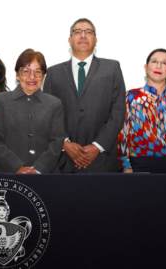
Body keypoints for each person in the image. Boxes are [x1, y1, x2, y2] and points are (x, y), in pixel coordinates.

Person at [43, 18, 126, 173]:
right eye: (77, 32)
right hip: (64, 161)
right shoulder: (53, 73)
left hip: (103, 161)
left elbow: (118, 111)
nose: (82, 35)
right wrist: (65, 143)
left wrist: (97, 146)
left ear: (95, 40)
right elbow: (48, 115)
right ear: (69, 40)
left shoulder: (112, 68)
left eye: (88, 32)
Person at [118, 48, 166, 174]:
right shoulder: (131, 96)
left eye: (164, 63)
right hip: (140, 165)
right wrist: (126, 165)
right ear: (146, 67)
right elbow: (123, 133)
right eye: (154, 61)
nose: (159, 66)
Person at [0, 49, 64, 174]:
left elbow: (56, 142)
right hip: (7, 174)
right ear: (17, 75)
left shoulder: (54, 104)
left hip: (46, 176)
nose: (32, 77)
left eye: (37, 72)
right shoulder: (1, 101)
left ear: (44, 75)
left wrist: (39, 169)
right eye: (25, 71)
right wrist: (16, 167)